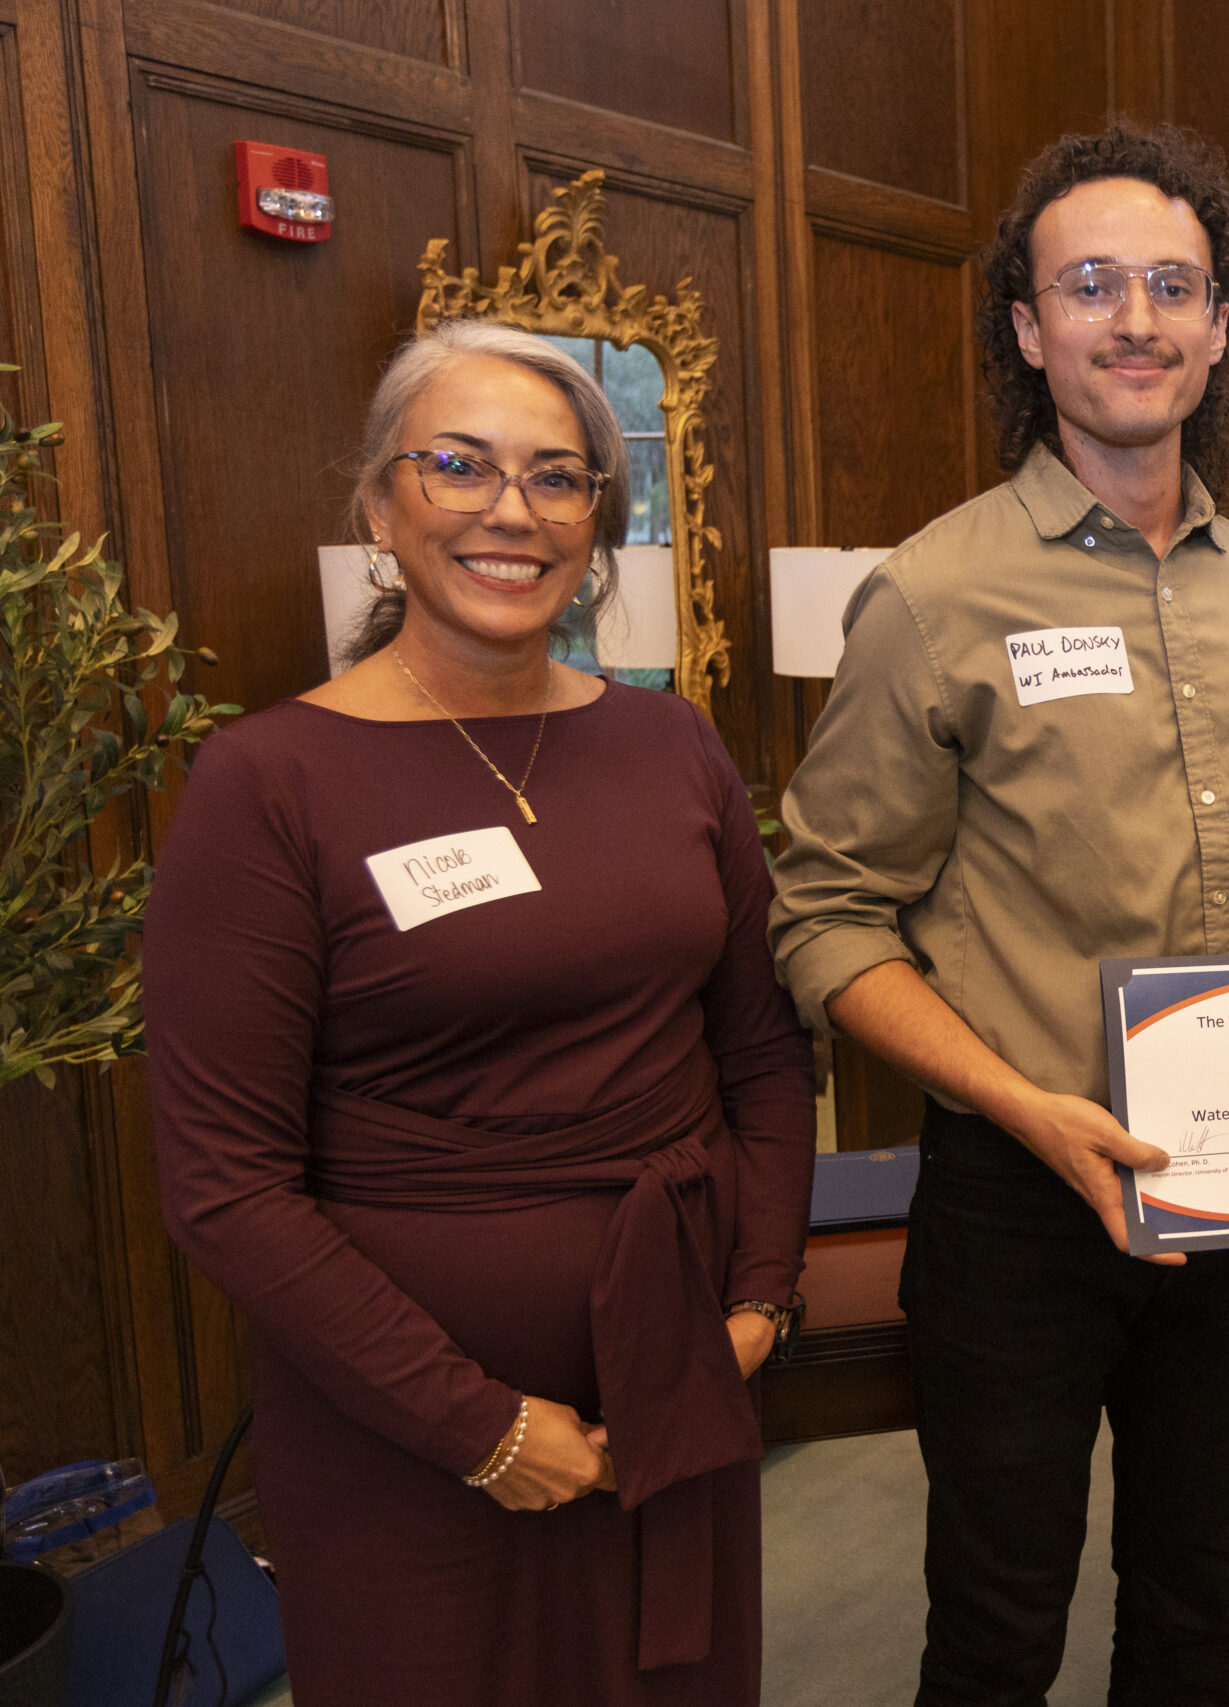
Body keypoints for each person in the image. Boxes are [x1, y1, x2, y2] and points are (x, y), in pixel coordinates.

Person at [768, 124, 1229, 1706]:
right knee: (997, 1627)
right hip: (1016, 1201)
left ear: (1218, 330)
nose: (1137, 319)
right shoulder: (932, 594)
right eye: (1094, 285)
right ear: (1030, 330)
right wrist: (1023, 1108)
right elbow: (826, 916)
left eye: (1173, 286)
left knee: (1198, 1608)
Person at [145, 319, 814, 1705]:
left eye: (558, 478)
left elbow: (758, 1050)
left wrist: (756, 1299)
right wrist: (481, 1427)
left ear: (597, 525)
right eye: (459, 465)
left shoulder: (672, 743)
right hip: (404, 1432)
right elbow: (226, 1187)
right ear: (382, 506)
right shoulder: (268, 784)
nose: (511, 510)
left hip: (668, 1379)